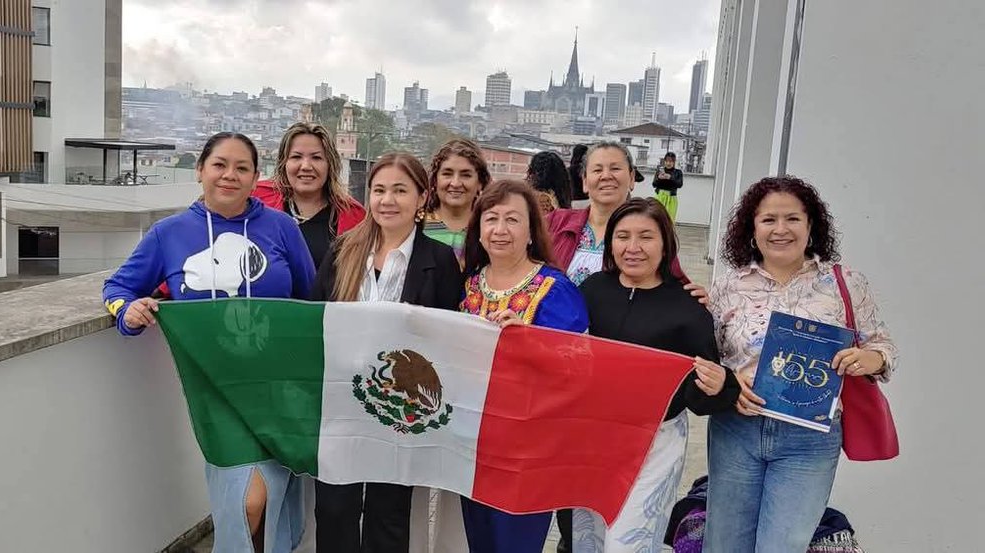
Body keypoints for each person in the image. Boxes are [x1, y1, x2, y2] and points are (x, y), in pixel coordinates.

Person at [102, 132, 315, 553]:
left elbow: (310, 298)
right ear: (200, 170)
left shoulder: (282, 228)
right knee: (246, 501)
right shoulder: (170, 233)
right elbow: (118, 288)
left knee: (271, 499)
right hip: (214, 390)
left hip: (278, 386)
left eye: (242, 167)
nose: (229, 175)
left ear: (257, 177)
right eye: (220, 164)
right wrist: (127, 312)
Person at [703, 176, 897, 552]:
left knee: (784, 546)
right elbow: (710, 357)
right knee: (724, 544)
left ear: (811, 226)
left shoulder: (845, 283)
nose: (780, 230)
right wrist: (729, 382)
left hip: (809, 440)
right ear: (752, 228)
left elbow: (883, 347)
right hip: (736, 430)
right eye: (768, 220)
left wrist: (867, 358)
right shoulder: (728, 285)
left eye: (792, 219)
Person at [310, 152, 463, 553]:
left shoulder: (439, 260)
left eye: (400, 190)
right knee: (335, 506)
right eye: (379, 190)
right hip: (342, 400)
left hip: (400, 404)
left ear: (421, 197)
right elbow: (316, 320)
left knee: (389, 511)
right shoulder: (344, 250)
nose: (387, 200)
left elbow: (451, 337)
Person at [572, 198, 739, 552]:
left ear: (665, 244)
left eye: (646, 237)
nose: (633, 248)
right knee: (588, 540)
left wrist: (721, 385)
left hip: (654, 443)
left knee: (629, 542)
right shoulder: (590, 292)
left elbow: (703, 394)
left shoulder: (687, 306)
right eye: (622, 237)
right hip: (592, 438)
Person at [455, 179, 589, 553]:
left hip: (530, 451)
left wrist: (531, 344)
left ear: (531, 230)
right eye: (491, 218)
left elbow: (579, 368)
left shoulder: (554, 288)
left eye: (512, 220)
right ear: (478, 229)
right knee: (480, 542)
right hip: (475, 444)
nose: (500, 230)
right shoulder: (470, 286)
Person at [547, 142, 700, 290]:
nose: (606, 176)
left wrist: (693, 299)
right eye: (597, 170)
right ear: (585, 181)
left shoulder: (652, 230)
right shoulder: (556, 221)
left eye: (615, 168)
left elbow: (675, 286)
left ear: (632, 177)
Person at [254, 122, 366, 266]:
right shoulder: (257, 200)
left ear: (330, 165)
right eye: (296, 157)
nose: (306, 166)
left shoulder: (354, 217)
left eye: (316, 158)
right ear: (284, 163)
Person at [423, 138, 492, 265]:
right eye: (447, 174)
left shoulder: (489, 229)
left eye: (466, 175)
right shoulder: (416, 226)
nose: (455, 183)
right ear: (434, 180)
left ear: (480, 183)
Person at [652, 152, 684, 221]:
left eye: (671, 161)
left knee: (670, 219)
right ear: (664, 161)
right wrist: (659, 178)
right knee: (658, 218)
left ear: (674, 162)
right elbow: (654, 184)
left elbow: (680, 184)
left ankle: (669, 231)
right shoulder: (660, 171)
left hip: (671, 197)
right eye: (667, 161)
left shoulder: (678, 172)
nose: (668, 163)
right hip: (660, 196)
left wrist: (670, 178)